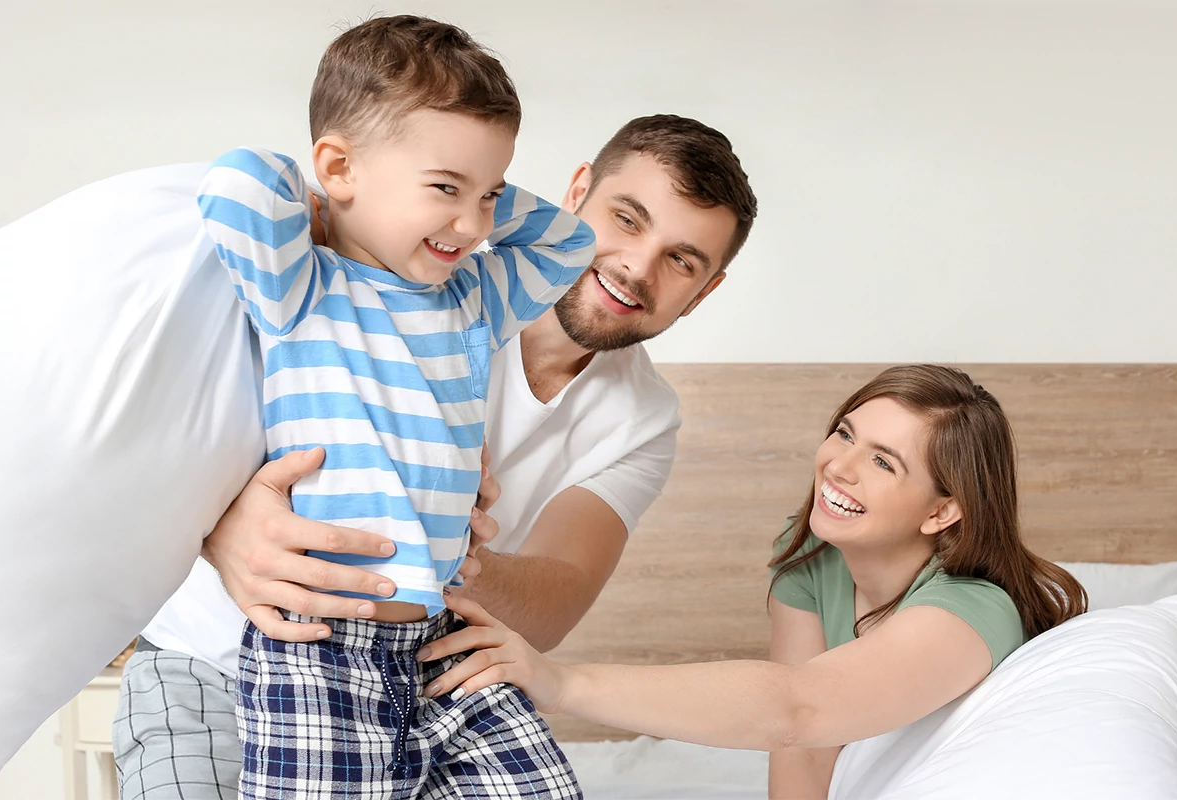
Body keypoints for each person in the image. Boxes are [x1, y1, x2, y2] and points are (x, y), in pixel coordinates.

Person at [113, 112, 759, 798]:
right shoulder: (389, 271)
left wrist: (445, 539)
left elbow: (552, 607)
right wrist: (222, 528)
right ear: (576, 193)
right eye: (626, 219)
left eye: (682, 260)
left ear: (704, 291)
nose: (637, 266)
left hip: (413, 679)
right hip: (211, 661)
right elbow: (166, 432)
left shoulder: (642, 417)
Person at [194, 14, 597, 799]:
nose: (473, 225)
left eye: (490, 195)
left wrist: (467, 180)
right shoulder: (303, 285)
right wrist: (328, 201)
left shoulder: (474, 298)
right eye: (445, 189)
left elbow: (570, 244)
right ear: (338, 166)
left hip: (444, 637)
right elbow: (238, 181)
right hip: (320, 651)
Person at [413, 364, 1091, 798]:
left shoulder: (972, 610)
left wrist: (560, 683)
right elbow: (800, 751)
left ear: (943, 512)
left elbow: (798, 707)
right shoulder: (813, 556)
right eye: (845, 433)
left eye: (884, 462)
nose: (839, 466)